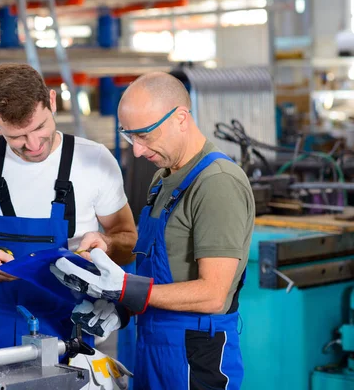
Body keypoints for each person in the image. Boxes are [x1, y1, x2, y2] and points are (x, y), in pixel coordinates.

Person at [51, 71, 255, 389]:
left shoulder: (217, 183)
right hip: (151, 345)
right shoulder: (164, 178)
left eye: (145, 135)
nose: (136, 150)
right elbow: (164, 266)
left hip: (193, 356)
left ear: (181, 118)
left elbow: (214, 295)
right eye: (130, 136)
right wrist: (121, 304)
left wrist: (128, 290)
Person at [0, 63, 137, 350]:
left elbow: (128, 241)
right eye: (16, 136)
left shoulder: (94, 160)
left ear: (52, 101)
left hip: (69, 339)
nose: (33, 145)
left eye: (40, 127)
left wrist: (106, 244)